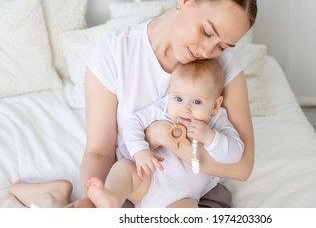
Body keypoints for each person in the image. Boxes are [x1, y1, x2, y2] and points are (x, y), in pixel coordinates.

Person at [10, 0, 257, 208]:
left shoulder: (222, 67)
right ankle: (55, 197)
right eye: (205, 31)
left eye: (223, 46)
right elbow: (99, 152)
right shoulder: (114, 55)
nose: (207, 51)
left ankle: (51, 198)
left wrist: (164, 137)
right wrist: (93, 201)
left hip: (192, 193)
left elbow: (242, 167)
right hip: (138, 178)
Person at [85, 59, 244, 208]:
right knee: (124, 168)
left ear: (215, 105)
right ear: (170, 94)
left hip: (184, 197)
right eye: (179, 99)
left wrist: (210, 137)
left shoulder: (217, 119)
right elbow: (134, 122)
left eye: (197, 102)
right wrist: (140, 151)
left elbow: (235, 153)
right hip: (148, 180)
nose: (185, 109)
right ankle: (112, 198)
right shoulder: (165, 108)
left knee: (189, 210)